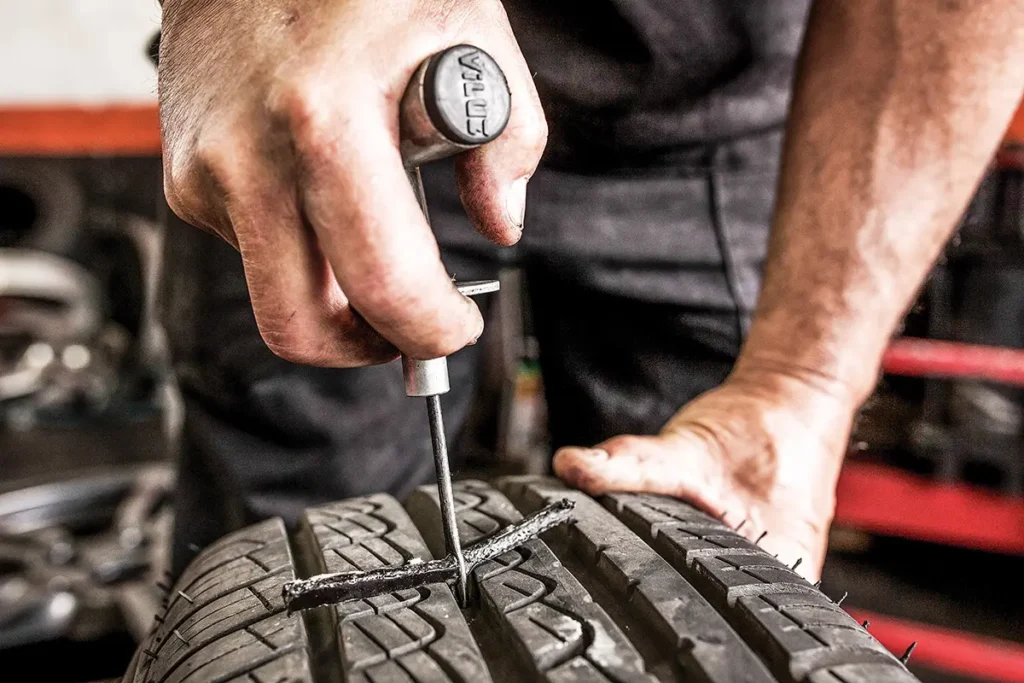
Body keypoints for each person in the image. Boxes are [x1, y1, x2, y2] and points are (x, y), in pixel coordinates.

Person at [156, 0, 1024, 580]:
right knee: (294, 562)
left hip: (727, 118)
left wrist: (803, 384)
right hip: (337, 84)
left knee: (705, 565)